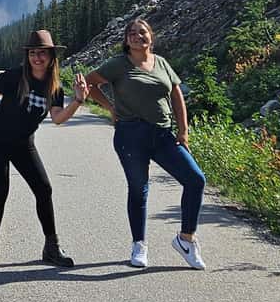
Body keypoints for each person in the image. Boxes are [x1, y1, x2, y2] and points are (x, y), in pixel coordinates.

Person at [86, 18, 206, 270]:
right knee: (139, 189)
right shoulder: (118, 64)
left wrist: (183, 131)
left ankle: (186, 239)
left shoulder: (161, 63)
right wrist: (110, 107)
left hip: (163, 134)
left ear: (151, 36)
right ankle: (139, 244)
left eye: (142, 32)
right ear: (126, 40)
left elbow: (176, 95)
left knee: (195, 180)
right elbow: (89, 82)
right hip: (130, 134)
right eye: (131, 33)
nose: (137, 36)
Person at [0, 30, 88, 268]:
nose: (37, 57)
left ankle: (51, 247)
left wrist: (78, 101)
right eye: (33, 53)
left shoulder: (54, 88)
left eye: (42, 53)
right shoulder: (14, 76)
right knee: (0, 190)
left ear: (51, 57)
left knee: (44, 189)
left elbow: (58, 118)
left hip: (23, 144)